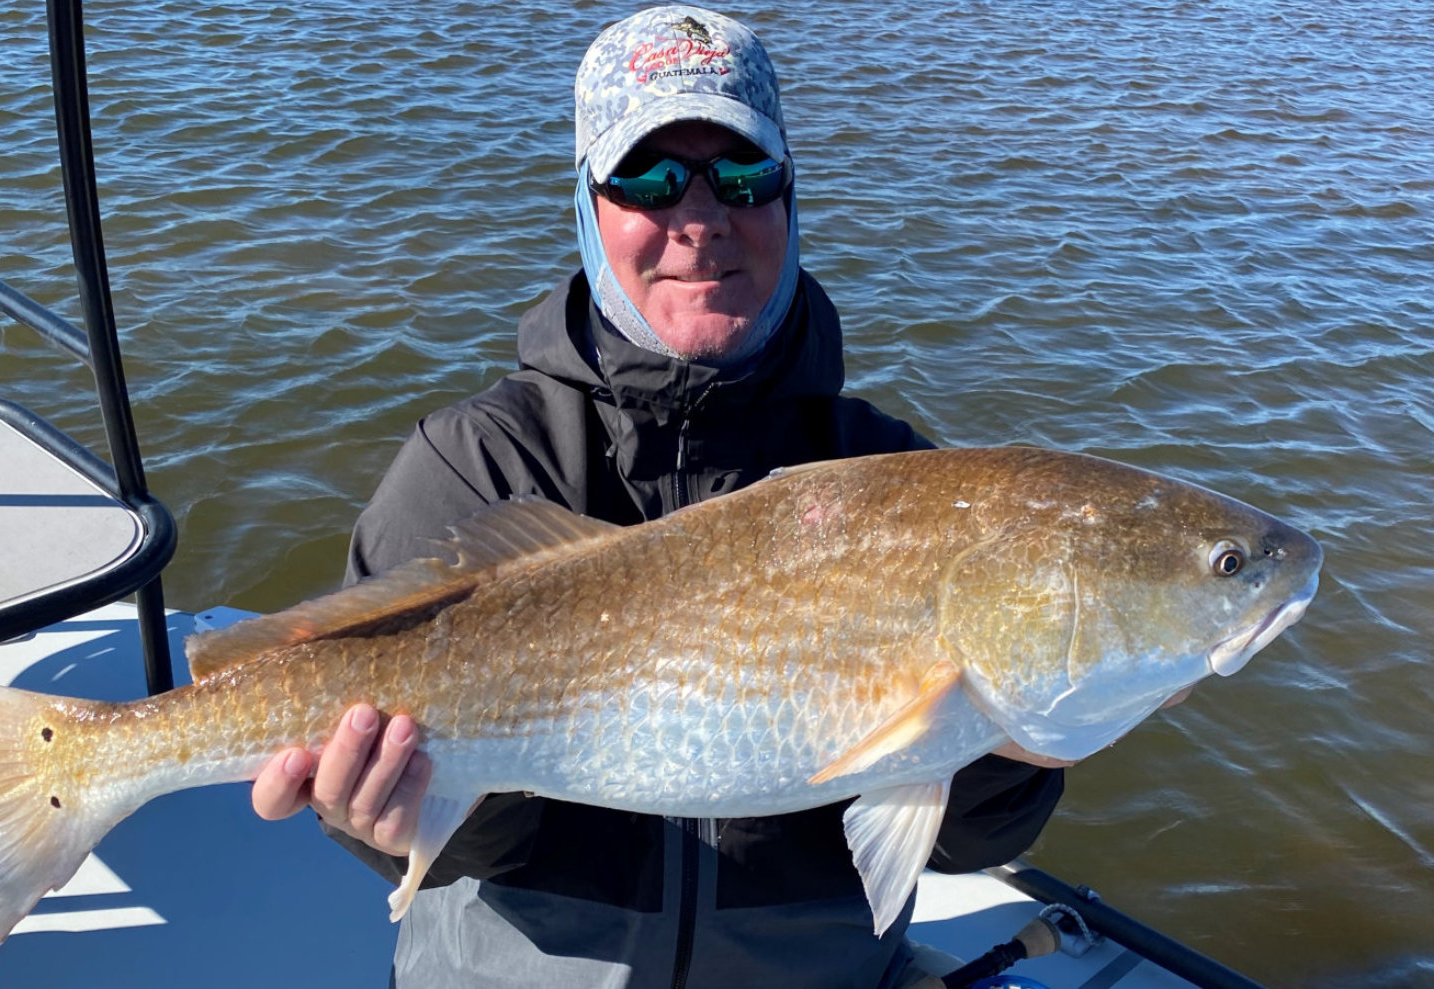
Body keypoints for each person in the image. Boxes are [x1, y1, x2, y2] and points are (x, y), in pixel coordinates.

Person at [252, 6, 1065, 986]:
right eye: (645, 177)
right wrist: (400, 809)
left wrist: (1008, 740)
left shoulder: (893, 480)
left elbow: (953, 844)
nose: (698, 216)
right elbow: (431, 850)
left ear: (788, 198)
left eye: (741, 173)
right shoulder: (476, 464)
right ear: (589, 208)